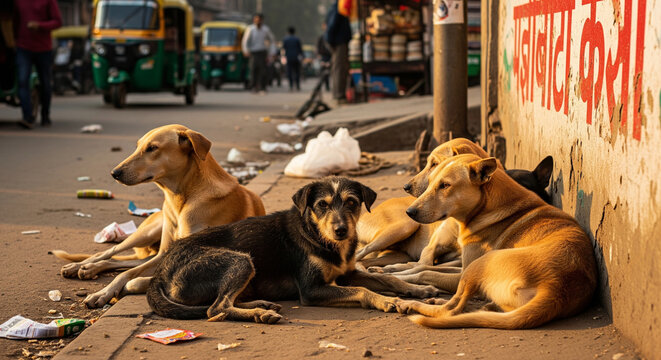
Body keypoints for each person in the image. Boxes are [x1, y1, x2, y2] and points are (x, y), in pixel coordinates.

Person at [14, 0, 62, 129]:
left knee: (45, 83)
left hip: (43, 48)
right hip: (23, 47)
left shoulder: (48, 1)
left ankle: (45, 115)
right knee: (23, 81)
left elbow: (58, 22)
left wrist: (40, 25)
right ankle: (27, 117)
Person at [241, 13, 275, 94]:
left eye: (259, 19)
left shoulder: (266, 29)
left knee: (263, 71)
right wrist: (245, 51)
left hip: (262, 52)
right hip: (253, 52)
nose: (258, 21)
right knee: (253, 70)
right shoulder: (250, 29)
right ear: (254, 20)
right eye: (256, 19)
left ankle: (262, 87)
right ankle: (253, 87)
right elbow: (245, 41)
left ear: (262, 20)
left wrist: (272, 52)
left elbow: (272, 40)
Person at [325, 0, 351, 103]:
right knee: (340, 69)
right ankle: (339, 95)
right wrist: (330, 40)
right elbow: (332, 24)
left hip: (337, 41)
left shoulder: (337, 5)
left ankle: (338, 94)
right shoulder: (339, 5)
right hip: (338, 42)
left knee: (338, 68)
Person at [282, 26, 302, 91]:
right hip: (296, 58)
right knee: (297, 72)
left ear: (288, 32)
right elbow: (300, 49)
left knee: (289, 72)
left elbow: (283, 49)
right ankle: (298, 85)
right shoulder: (297, 39)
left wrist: (283, 56)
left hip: (289, 58)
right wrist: (302, 56)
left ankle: (291, 86)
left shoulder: (285, 39)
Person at [316, 23, 331, 91]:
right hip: (323, 56)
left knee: (329, 71)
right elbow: (318, 47)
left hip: (330, 56)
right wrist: (319, 56)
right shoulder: (321, 37)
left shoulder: (331, 36)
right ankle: (325, 85)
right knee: (324, 72)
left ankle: (328, 85)